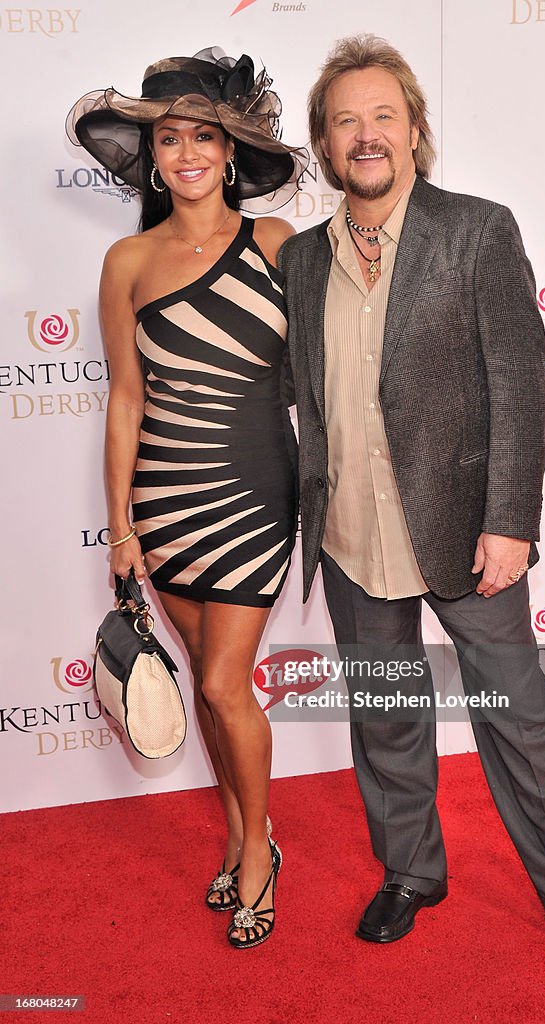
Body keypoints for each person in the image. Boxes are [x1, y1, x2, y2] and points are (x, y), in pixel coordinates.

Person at [278, 34, 545, 972]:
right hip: (352, 530)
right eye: (346, 120)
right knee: (387, 712)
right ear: (323, 140)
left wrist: (511, 518)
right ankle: (410, 872)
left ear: (413, 129)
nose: (366, 136)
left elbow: (521, 384)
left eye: (382, 117)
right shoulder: (305, 259)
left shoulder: (477, 229)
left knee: (515, 718)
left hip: (469, 533)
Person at [67, 47, 307, 950]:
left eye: (203, 136)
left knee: (219, 679)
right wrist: (120, 525)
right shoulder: (126, 258)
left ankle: (257, 855)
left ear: (231, 149)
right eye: (169, 138)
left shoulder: (280, 245)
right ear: (153, 155)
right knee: (211, 694)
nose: (187, 153)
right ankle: (251, 834)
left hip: (253, 490)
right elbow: (126, 398)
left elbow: (322, 376)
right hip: (163, 501)